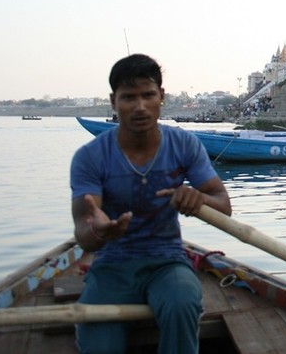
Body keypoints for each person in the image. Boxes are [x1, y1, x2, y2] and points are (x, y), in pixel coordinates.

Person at [70, 54, 232, 354]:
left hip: (167, 261)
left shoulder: (185, 144)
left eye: (148, 95)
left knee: (183, 304)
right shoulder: (89, 156)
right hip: (112, 264)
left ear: (162, 97)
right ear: (113, 102)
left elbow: (223, 205)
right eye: (129, 97)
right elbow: (83, 231)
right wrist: (99, 229)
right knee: (99, 345)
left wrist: (198, 199)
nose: (140, 106)